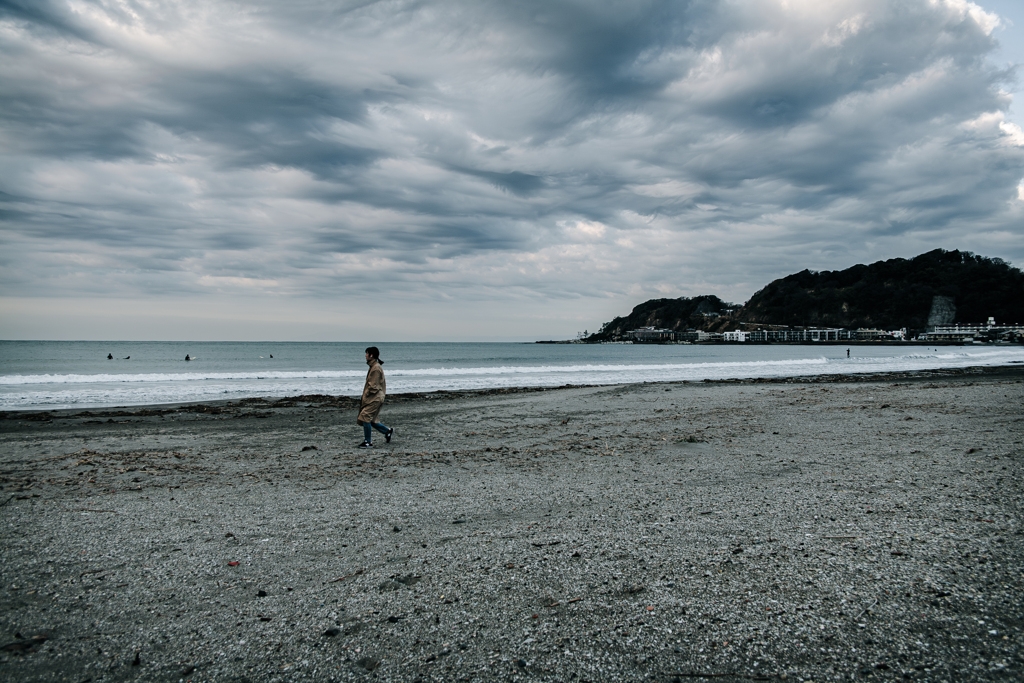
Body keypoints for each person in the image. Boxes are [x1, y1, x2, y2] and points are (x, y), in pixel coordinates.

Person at [356, 346, 394, 448]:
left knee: (365, 417)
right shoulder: (374, 367)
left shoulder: (376, 368)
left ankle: (368, 442)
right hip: (375, 397)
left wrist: (367, 395)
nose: (365, 355)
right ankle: (387, 431)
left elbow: (373, 386)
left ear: (371, 355)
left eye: (366, 353)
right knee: (370, 419)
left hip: (375, 397)